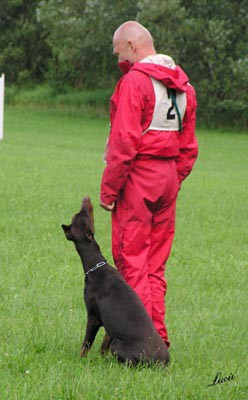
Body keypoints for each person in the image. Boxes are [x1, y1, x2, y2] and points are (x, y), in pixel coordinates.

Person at [100, 21, 198, 348]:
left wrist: (109, 190)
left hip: (139, 178)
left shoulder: (135, 82)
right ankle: (159, 338)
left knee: (132, 261)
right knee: (155, 265)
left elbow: (124, 143)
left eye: (118, 54)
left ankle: (141, 342)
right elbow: (188, 148)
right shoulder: (184, 86)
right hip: (168, 176)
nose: (119, 62)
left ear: (131, 46)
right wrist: (172, 178)